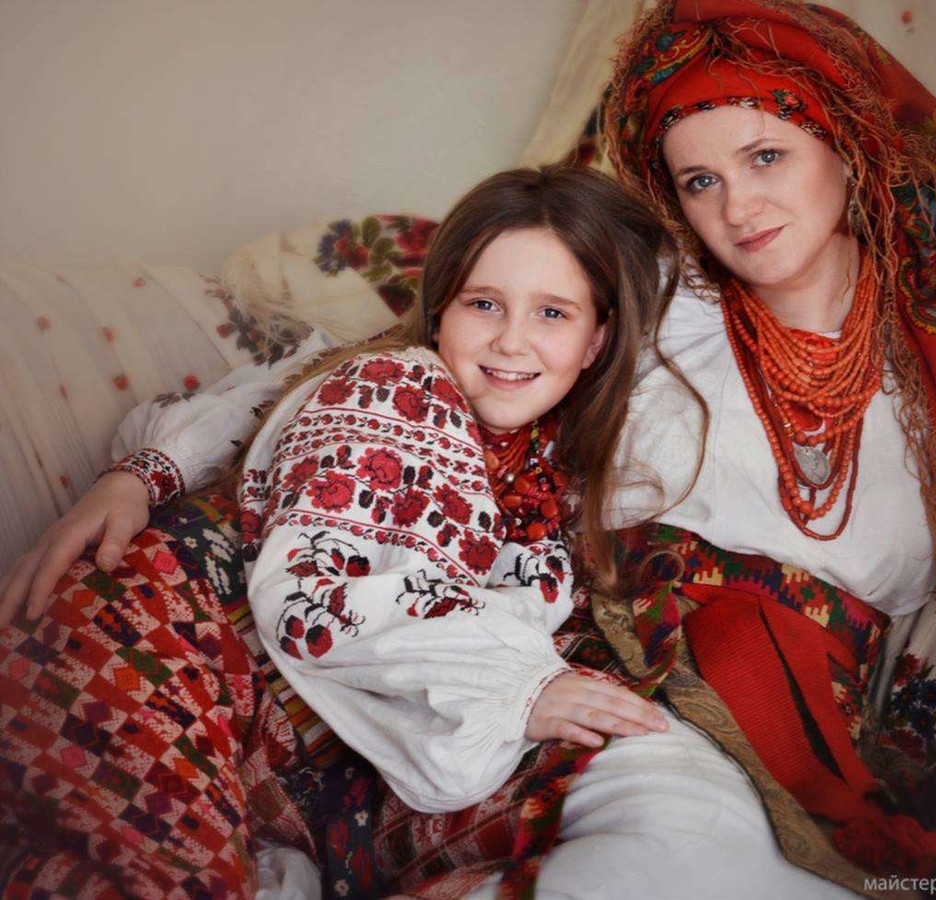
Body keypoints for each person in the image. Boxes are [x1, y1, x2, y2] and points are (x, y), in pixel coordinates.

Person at [4, 2, 936, 898]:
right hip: (547, 646)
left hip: (775, 708)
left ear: (847, 148)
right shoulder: (654, 296)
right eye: (700, 181)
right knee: (667, 854)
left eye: (766, 155)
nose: (738, 207)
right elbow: (384, 356)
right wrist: (148, 467)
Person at [0, 164, 677, 896]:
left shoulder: (545, 469)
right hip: (146, 632)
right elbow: (314, 606)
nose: (511, 341)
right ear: (440, 312)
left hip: (262, 713)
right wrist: (520, 687)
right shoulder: (400, 387)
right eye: (483, 303)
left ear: (598, 340)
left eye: (552, 313)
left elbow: (269, 399)